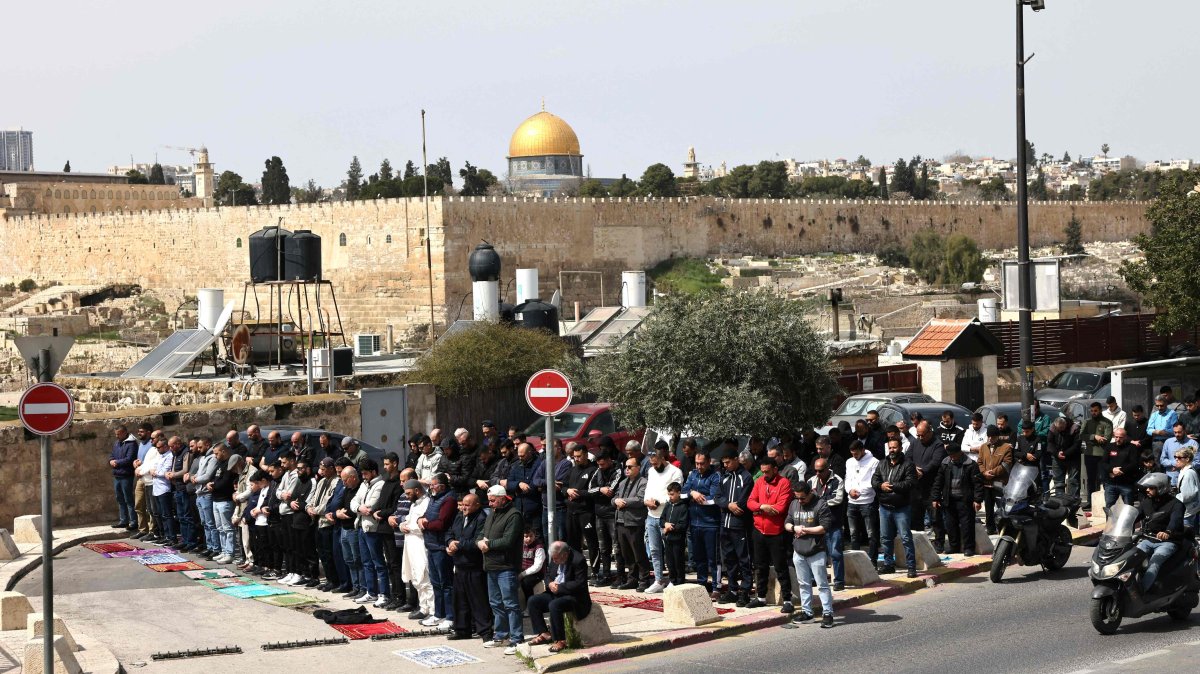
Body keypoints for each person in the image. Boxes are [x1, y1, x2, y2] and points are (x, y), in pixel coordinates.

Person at [783, 481, 835, 628]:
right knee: (803, 584)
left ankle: (827, 613)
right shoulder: (794, 504)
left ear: (810, 493)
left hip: (816, 551)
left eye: (803, 498)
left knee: (822, 584)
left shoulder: (821, 504)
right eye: (797, 498)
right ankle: (807, 613)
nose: (800, 501)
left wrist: (804, 530)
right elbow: (787, 523)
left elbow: (824, 527)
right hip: (798, 551)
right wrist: (794, 527)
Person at [527, 541, 593, 654]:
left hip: (573, 596)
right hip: (555, 592)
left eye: (556, 559)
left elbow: (580, 583)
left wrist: (560, 588)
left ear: (565, 555)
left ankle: (560, 640)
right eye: (553, 558)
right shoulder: (555, 557)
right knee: (533, 601)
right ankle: (544, 633)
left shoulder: (578, 560)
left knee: (555, 605)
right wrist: (550, 583)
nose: (554, 561)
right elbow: (547, 574)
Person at [481, 484, 524, 654]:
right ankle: (500, 635)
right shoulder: (492, 513)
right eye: (489, 501)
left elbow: (508, 541)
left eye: (492, 501)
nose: (490, 504)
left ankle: (516, 638)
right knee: (495, 603)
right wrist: (480, 541)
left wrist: (488, 544)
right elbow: (482, 533)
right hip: (491, 565)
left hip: (506, 566)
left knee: (511, 604)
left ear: (501, 498)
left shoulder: (514, 515)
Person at [747, 455, 792, 611]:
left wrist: (760, 507)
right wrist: (763, 507)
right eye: (762, 471)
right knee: (760, 566)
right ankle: (761, 597)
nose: (764, 475)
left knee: (781, 566)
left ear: (775, 469)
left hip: (776, 532)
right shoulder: (759, 482)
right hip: (759, 530)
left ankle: (787, 600)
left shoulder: (784, 483)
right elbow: (750, 503)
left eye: (767, 472)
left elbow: (781, 508)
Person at [446, 493, 490, 642]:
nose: (463, 507)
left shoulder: (482, 518)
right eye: (463, 504)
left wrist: (458, 545)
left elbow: (477, 542)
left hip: (474, 566)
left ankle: (485, 631)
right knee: (460, 601)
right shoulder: (459, 516)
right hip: (459, 565)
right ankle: (462, 630)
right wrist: (450, 542)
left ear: (477, 505)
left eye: (467, 505)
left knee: (478, 601)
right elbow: (450, 532)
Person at [1133, 472, 1184, 594]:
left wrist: (1168, 531)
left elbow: (1175, 520)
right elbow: (1134, 516)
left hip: (1167, 542)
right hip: (1148, 539)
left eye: (1151, 488)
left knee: (1154, 563)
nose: (1147, 490)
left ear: (1161, 488)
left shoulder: (1176, 504)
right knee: (1132, 558)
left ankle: (1141, 593)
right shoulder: (1146, 502)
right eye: (1147, 488)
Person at [873, 439, 917, 577]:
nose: (892, 450)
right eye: (890, 448)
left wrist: (891, 486)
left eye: (895, 447)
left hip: (901, 508)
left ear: (900, 448)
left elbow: (910, 483)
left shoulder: (908, 465)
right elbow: (874, 480)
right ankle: (888, 565)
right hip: (885, 507)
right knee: (885, 538)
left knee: (905, 538)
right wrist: (881, 486)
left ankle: (911, 566)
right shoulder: (882, 463)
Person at [641, 448, 682, 594]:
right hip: (651, 515)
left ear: (663, 458)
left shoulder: (675, 472)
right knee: (654, 550)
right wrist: (646, 501)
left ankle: (673, 579)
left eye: (656, 463)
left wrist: (659, 502)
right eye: (652, 464)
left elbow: (676, 495)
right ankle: (658, 580)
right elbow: (649, 488)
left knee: (669, 551)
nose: (654, 466)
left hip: (666, 516)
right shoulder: (651, 471)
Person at [420, 474, 458, 629]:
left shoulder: (449, 499)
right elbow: (428, 516)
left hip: (441, 547)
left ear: (442, 485)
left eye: (433, 485)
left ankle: (450, 617)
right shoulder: (434, 498)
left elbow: (441, 523)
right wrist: (421, 520)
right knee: (435, 582)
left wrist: (426, 524)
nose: (431, 487)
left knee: (446, 583)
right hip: (431, 545)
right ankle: (438, 614)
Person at [931, 444, 984, 555]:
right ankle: (954, 547)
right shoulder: (945, 464)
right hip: (949, 500)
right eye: (950, 455)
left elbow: (977, 484)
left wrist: (977, 500)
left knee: (967, 525)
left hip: (965, 500)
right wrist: (935, 497)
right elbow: (938, 481)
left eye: (954, 455)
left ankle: (969, 548)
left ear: (960, 452)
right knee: (950, 525)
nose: (952, 457)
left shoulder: (970, 465)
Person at [716, 451, 753, 604]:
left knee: (743, 559)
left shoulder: (746, 477)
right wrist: (728, 505)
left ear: (736, 459)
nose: (725, 465)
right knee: (729, 559)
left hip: (740, 525)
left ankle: (745, 591)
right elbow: (717, 497)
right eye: (723, 463)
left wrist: (732, 506)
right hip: (725, 524)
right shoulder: (724, 477)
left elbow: (744, 501)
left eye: (728, 462)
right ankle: (732, 589)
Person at [681, 451, 720, 593]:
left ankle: (716, 587)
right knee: (699, 558)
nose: (699, 466)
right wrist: (692, 493)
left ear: (709, 462)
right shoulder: (692, 475)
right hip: (694, 523)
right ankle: (702, 584)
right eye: (697, 463)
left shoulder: (715, 476)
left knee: (713, 559)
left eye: (702, 463)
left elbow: (712, 499)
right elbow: (682, 494)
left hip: (710, 523)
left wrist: (696, 497)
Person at [354, 458, 390, 607]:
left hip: (373, 528)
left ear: (373, 472)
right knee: (366, 562)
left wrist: (361, 508)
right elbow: (354, 501)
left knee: (378, 562)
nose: (363, 476)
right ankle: (371, 592)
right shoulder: (363, 484)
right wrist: (359, 508)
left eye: (365, 473)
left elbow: (371, 505)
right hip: (362, 525)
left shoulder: (380, 484)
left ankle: (384, 594)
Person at [809, 457, 846, 589]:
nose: (818, 473)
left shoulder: (837, 480)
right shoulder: (811, 481)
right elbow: (807, 498)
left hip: (833, 523)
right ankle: (816, 579)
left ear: (827, 469)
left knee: (835, 553)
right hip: (817, 524)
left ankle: (839, 581)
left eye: (820, 470)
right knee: (816, 553)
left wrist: (819, 502)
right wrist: (822, 501)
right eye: (816, 470)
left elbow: (837, 499)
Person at [909, 421, 947, 552]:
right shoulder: (915, 442)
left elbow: (935, 462)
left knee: (935, 517)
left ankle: (939, 543)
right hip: (916, 487)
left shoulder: (938, 445)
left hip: (931, 487)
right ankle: (919, 541)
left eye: (922, 435)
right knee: (916, 517)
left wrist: (922, 471)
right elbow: (907, 457)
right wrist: (913, 469)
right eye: (918, 435)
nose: (920, 438)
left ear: (930, 432)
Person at [400, 479, 434, 620]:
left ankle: (432, 610)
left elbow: (424, 524)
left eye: (408, 493)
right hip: (410, 543)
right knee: (415, 577)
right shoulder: (414, 504)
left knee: (424, 577)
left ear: (417, 490)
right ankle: (423, 607)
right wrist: (402, 524)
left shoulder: (427, 502)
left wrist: (410, 527)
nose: (407, 496)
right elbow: (410, 518)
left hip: (421, 543)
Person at [844, 440, 880, 569]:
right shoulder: (849, 462)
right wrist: (849, 490)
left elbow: (873, 481)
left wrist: (859, 491)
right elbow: (847, 478)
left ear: (863, 450)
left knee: (871, 533)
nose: (855, 456)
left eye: (857, 453)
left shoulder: (874, 462)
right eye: (852, 454)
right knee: (853, 533)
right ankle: (856, 561)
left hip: (867, 501)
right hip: (852, 502)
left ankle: (872, 561)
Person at [587, 449, 621, 585]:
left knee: (616, 547)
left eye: (602, 464)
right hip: (599, 514)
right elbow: (590, 489)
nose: (600, 467)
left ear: (609, 461)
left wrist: (600, 490)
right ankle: (606, 575)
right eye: (599, 465)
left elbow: (611, 490)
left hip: (612, 514)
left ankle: (619, 576)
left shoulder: (618, 471)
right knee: (603, 548)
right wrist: (601, 489)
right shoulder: (597, 471)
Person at [977, 425, 1013, 534]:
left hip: (1000, 483)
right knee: (988, 507)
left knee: (1002, 507)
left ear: (997, 436)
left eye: (992, 437)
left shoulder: (1006, 447)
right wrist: (984, 472)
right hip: (987, 483)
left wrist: (993, 472)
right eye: (988, 436)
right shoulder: (983, 447)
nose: (990, 439)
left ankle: (1004, 528)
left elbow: (1006, 464)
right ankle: (990, 528)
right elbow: (979, 462)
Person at [507, 442, 543, 531]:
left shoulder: (539, 464)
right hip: (519, 507)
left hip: (535, 507)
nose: (520, 458)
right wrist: (519, 484)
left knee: (536, 534)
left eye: (522, 456)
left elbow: (535, 485)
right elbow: (509, 483)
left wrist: (519, 488)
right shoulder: (516, 465)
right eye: (519, 455)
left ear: (530, 453)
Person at [1100, 427, 1139, 508]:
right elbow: (1103, 463)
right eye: (1116, 437)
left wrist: (1119, 471)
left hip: (1126, 484)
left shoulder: (1132, 448)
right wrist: (1112, 470)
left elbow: (1134, 464)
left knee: (1128, 508)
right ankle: (1110, 521)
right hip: (1110, 483)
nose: (1118, 439)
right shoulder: (1109, 447)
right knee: (1109, 507)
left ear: (1125, 437)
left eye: (1120, 437)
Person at [1082, 402, 1114, 500]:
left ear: (1100, 410)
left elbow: (1107, 439)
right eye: (1091, 411)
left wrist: (1090, 440)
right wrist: (1094, 437)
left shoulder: (1107, 422)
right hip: (1089, 454)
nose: (1093, 413)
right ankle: (1090, 501)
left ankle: (1106, 500)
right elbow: (1082, 436)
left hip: (1102, 454)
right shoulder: (1087, 422)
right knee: (1091, 479)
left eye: (1095, 411)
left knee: (1103, 478)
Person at [660, 482, 689, 587]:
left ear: (679, 493)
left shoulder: (683, 507)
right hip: (667, 539)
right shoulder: (668, 505)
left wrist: (669, 527)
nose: (670, 497)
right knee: (670, 562)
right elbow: (661, 519)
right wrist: (665, 524)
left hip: (678, 539)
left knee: (678, 562)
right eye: (669, 494)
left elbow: (682, 524)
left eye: (672, 494)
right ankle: (672, 581)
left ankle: (680, 581)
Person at [109, 425, 138, 533]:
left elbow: (129, 458)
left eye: (119, 434)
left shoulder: (131, 444)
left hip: (126, 475)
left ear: (125, 432)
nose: (117, 436)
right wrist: (111, 460)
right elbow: (112, 455)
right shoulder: (117, 443)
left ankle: (133, 521)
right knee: (119, 498)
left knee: (128, 499)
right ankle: (123, 520)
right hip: (117, 475)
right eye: (116, 434)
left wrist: (117, 462)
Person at [1048, 416, 1082, 498]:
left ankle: (1073, 500)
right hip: (1057, 457)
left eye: (1061, 428)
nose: (1060, 430)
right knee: (1058, 481)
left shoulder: (1074, 428)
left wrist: (1065, 453)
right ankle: (1060, 500)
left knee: (1073, 480)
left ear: (1065, 425)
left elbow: (1077, 445)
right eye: (1058, 429)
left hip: (1072, 457)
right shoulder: (1053, 427)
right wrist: (1057, 453)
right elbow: (1050, 443)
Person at [1174, 447, 1199, 532]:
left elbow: (1188, 494)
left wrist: (1174, 499)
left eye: (1179, 458)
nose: (1176, 459)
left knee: (1186, 536)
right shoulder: (1184, 471)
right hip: (1187, 508)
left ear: (1187, 459)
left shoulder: (1188, 473)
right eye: (1175, 457)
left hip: (1188, 510)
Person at [519, 528, 547, 603]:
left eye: (531, 536)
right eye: (526, 536)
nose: (529, 538)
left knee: (526, 582)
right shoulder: (519, 546)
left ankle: (529, 604)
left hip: (537, 573)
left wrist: (522, 574)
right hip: (523, 571)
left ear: (535, 535)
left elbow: (537, 566)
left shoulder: (539, 547)